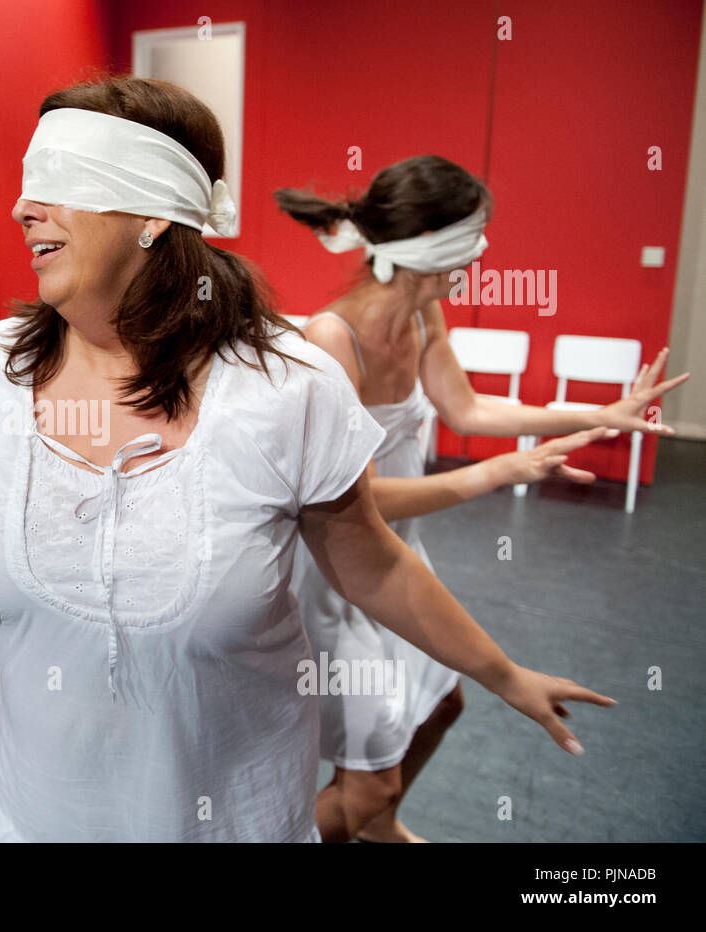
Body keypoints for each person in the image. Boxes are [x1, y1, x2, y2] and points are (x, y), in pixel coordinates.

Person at [0, 77, 613, 842]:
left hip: (227, 814)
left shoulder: (285, 389)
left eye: (59, 179)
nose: (22, 206)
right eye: (28, 180)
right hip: (43, 806)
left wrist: (505, 675)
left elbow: (376, 566)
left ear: (153, 215)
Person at [275, 155, 688, 842]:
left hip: (405, 554)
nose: (484, 252)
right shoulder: (330, 340)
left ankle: (381, 826)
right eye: (473, 237)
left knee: (441, 706)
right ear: (429, 246)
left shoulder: (423, 312)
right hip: (341, 575)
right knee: (366, 782)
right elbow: (350, 504)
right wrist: (490, 476)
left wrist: (598, 416)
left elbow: (466, 409)